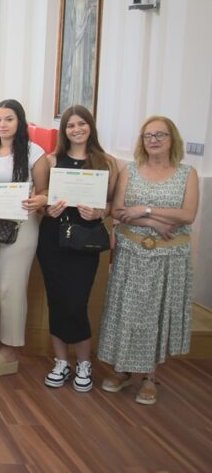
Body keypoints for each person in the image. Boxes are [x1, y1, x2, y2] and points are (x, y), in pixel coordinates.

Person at [98, 116, 199, 405]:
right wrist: (154, 222)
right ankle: (122, 370)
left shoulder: (186, 173)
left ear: (172, 139)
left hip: (169, 257)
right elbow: (118, 210)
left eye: (160, 135)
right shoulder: (130, 170)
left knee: (155, 315)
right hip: (132, 252)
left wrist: (144, 209)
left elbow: (187, 214)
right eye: (148, 135)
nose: (153, 140)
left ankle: (149, 376)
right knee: (127, 313)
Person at [37, 105, 116, 392]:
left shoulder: (106, 162)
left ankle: (83, 362)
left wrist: (99, 214)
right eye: (70, 125)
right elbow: (40, 200)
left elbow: (112, 205)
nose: (76, 129)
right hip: (53, 239)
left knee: (77, 301)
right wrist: (48, 209)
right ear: (64, 130)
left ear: (90, 126)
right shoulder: (51, 160)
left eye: (82, 124)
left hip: (86, 240)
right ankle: (61, 362)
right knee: (56, 299)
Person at [0, 99, 48, 377]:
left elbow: (44, 191)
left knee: (11, 287)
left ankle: (12, 348)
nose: (3, 124)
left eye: (9, 119)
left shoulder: (34, 152)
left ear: (19, 122)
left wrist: (38, 199)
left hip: (21, 225)